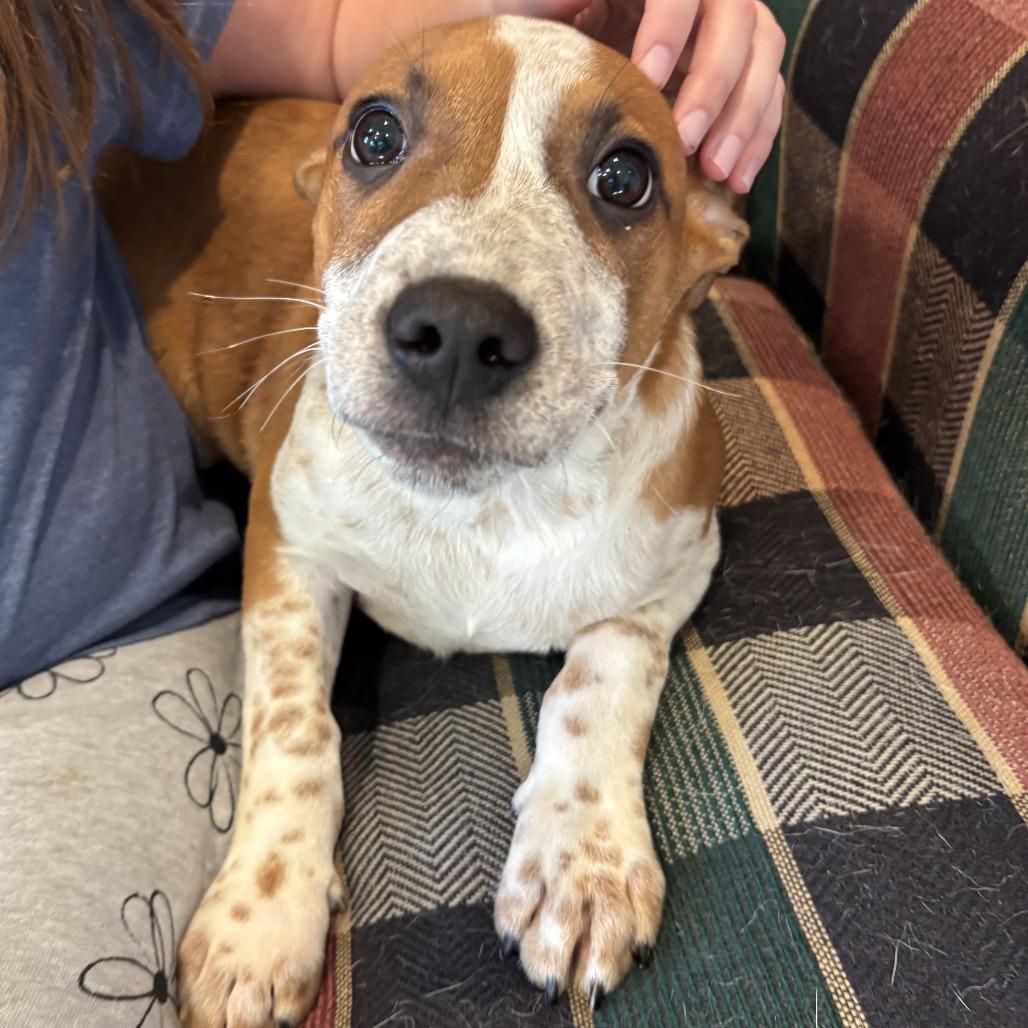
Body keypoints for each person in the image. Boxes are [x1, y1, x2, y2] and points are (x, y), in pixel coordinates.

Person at [0, 3, 784, 1025]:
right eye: (377, 141)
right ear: (318, 179)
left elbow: (661, 581)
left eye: (621, 181)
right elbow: (298, 537)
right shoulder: (307, 400)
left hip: (103, 611)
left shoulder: (77, 25)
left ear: (706, 236)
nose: (456, 322)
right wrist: (289, 800)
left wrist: (590, 758)